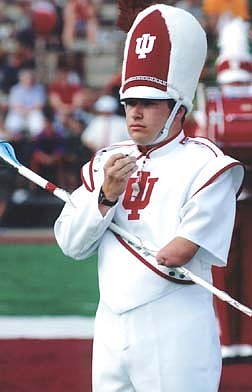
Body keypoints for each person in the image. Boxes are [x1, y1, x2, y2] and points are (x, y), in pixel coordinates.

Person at [54, 3, 244, 391]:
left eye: (149, 103)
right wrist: (104, 199)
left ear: (177, 108)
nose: (135, 113)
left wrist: (162, 245)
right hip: (109, 323)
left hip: (175, 325)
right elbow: (72, 244)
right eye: (130, 103)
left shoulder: (209, 166)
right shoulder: (105, 162)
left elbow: (178, 255)